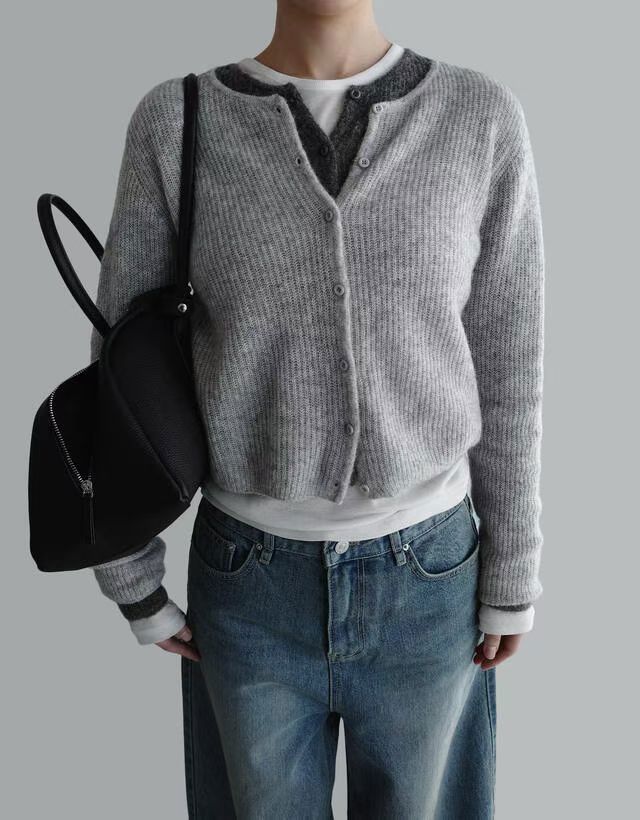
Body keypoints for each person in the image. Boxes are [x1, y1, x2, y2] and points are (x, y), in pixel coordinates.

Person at [89, 1, 545, 816]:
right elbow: (117, 368)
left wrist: (513, 563)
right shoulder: (179, 123)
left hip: (432, 584)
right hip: (248, 588)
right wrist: (128, 572)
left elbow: (510, 362)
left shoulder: (478, 118)